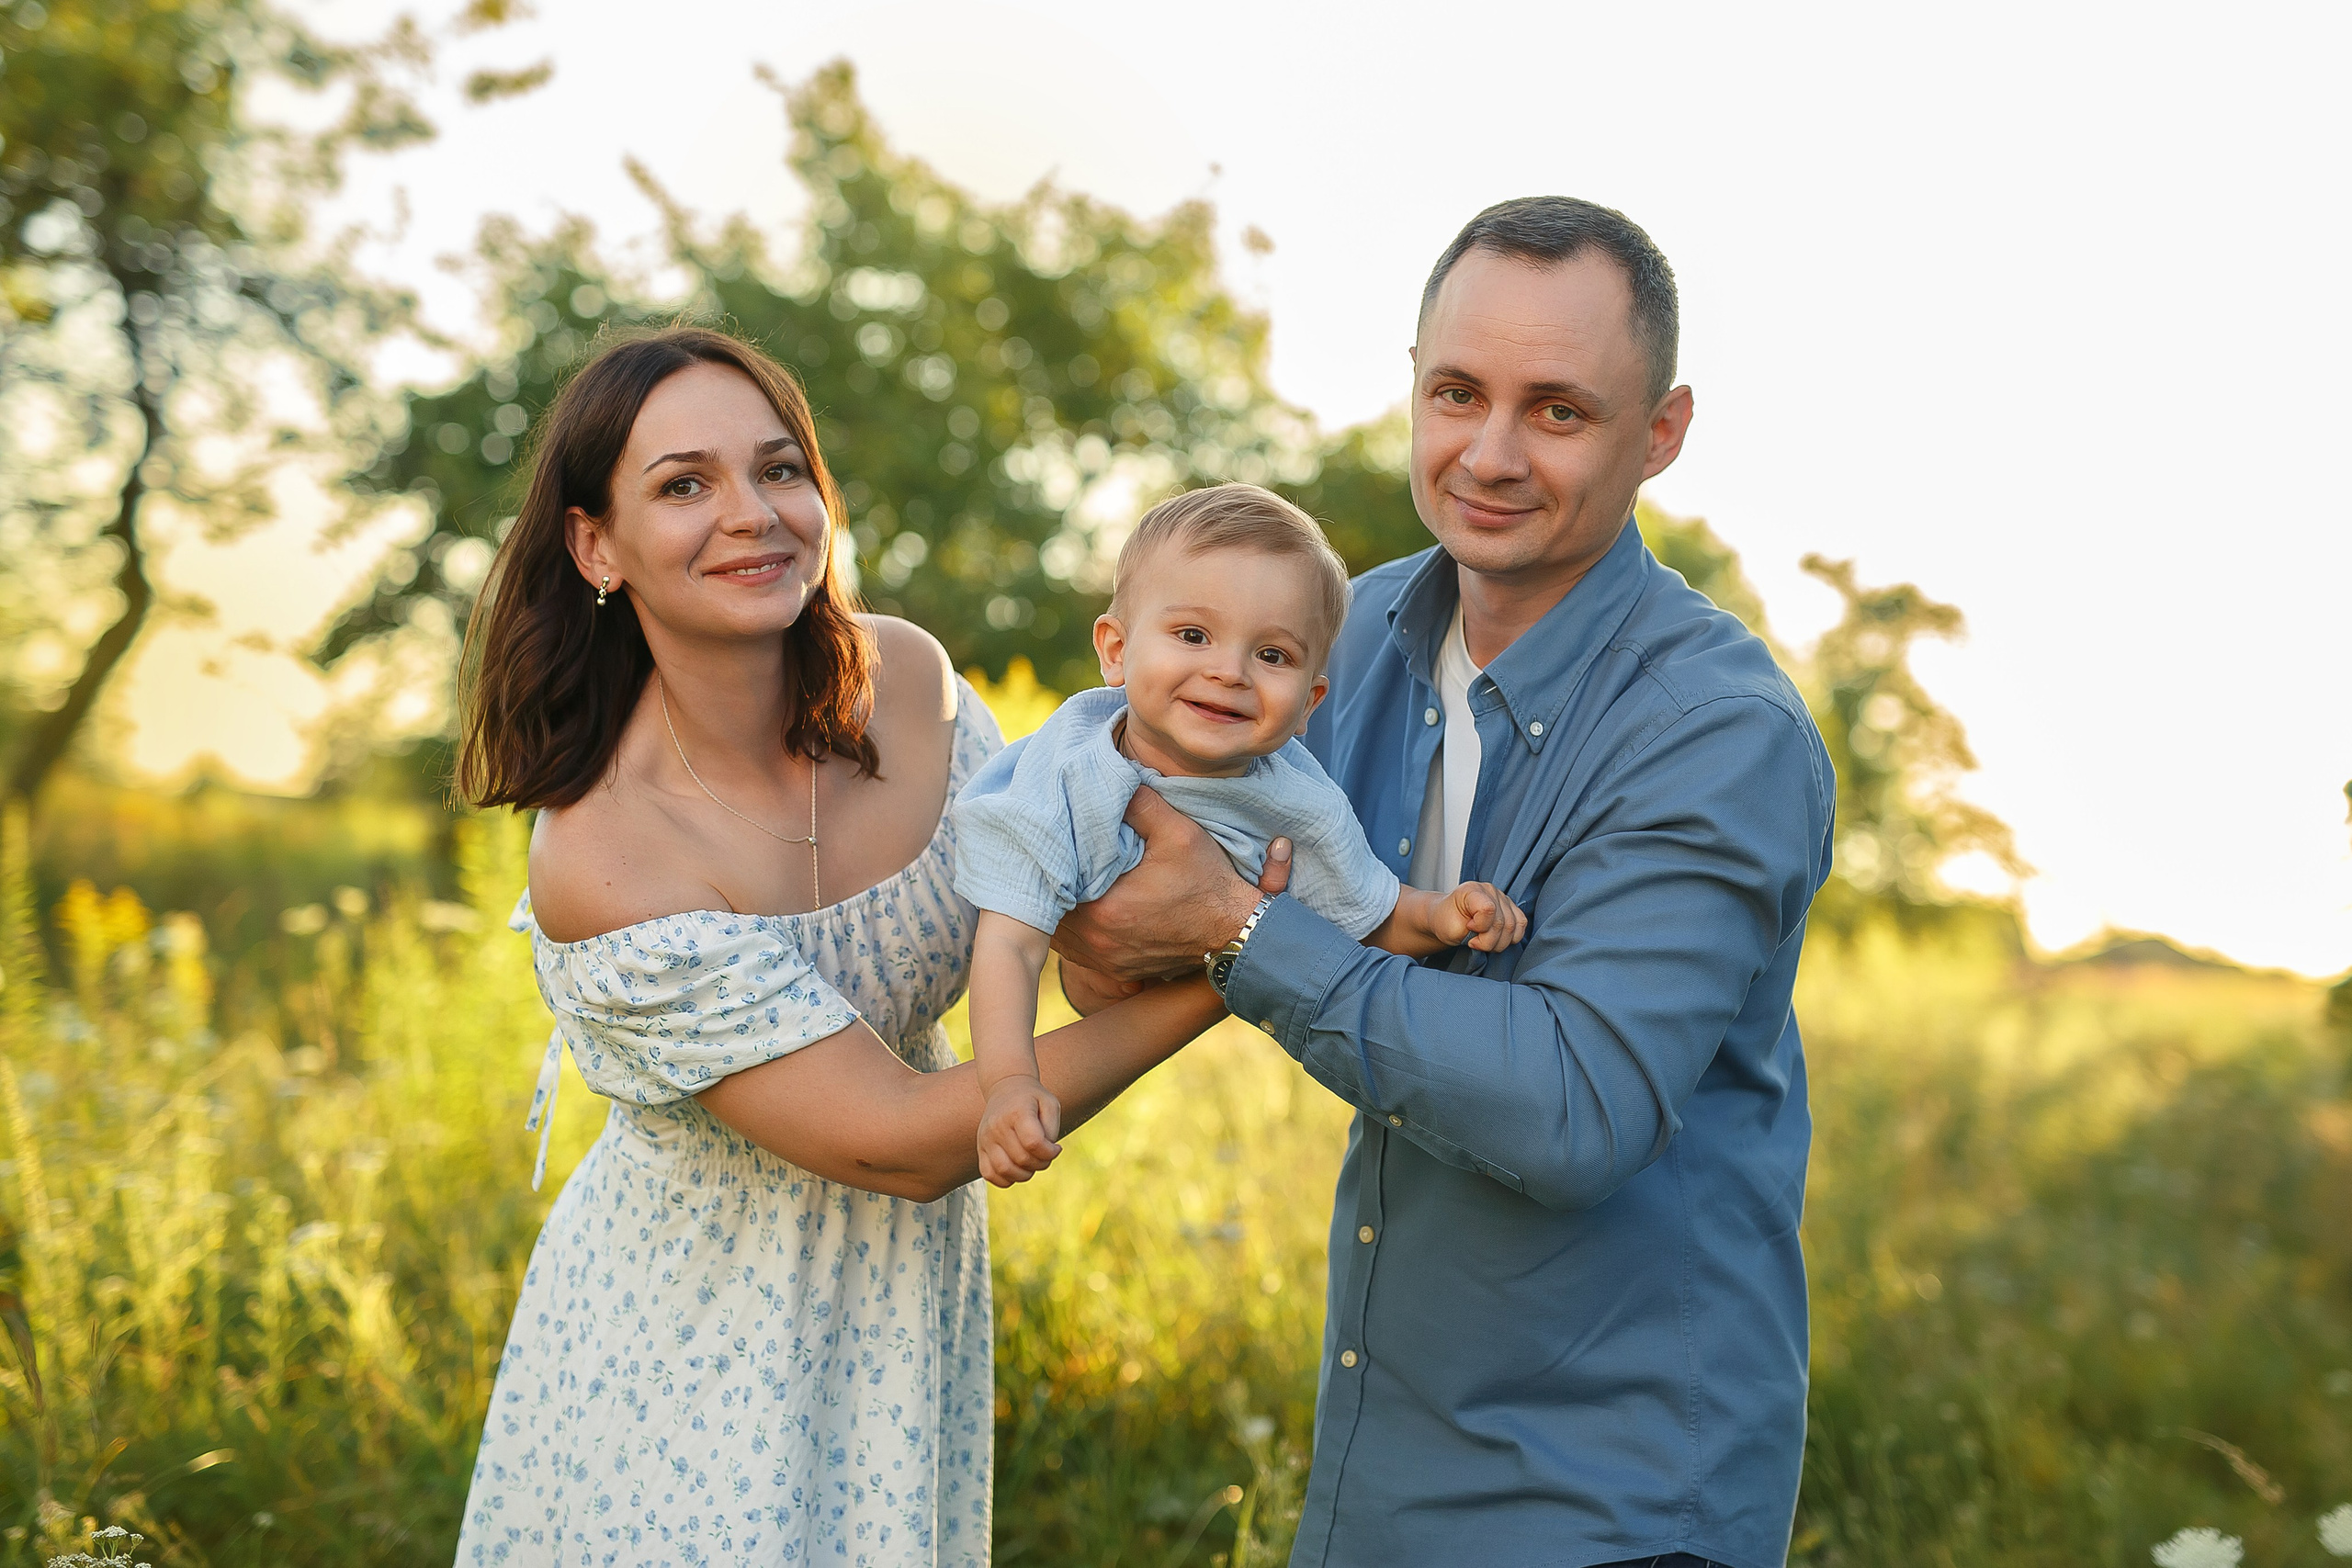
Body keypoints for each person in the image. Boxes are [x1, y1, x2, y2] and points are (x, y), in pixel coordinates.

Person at [1054, 198, 1836, 1568]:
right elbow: (1122, 914)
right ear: (1411, 380)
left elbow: (1572, 1105)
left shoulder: (1717, 730)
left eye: (1557, 411)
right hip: (1376, 1478)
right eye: (1457, 392)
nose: (1489, 452)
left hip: (1620, 1502)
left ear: (1660, 432)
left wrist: (1239, 929)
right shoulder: (1337, 643)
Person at [449, 326, 1242, 1567]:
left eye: (779, 469)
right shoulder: (605, 854)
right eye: (683, 484)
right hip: (687, 1347)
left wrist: (1219, 827)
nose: (753, 515)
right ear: (595, 544)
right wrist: (1244, 962)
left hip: (896, 1312)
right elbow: (908, 1140)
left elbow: (1073, 936)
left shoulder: (913, 683)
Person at [949, 484, 1525, 1186]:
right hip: (1084, 977)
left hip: (1183, 998)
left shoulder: (1293, 798)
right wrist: (1009, 1080)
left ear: (1311, 702)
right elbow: (1009, 940)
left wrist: (1441, 913)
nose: (1228, 671)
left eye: (1274, 656)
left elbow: (1366, 912)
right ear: (1116, 650)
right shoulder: (1069, 770)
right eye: (1193, 635)